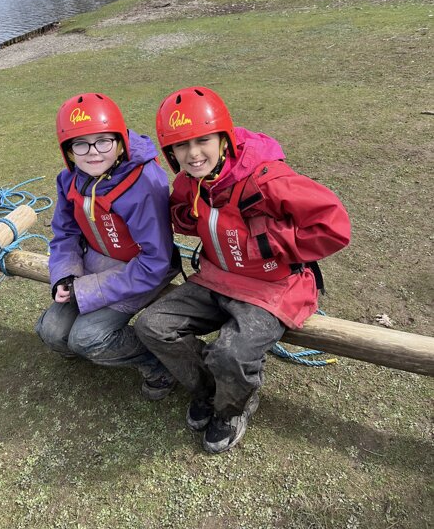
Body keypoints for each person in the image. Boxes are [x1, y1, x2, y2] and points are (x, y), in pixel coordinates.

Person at [135, 86, 351, 452]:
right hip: (217, 276)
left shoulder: (267, 178)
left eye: (203, 140)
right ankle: (209, 389)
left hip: (272, 286)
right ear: (170, 152)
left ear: (224, 138)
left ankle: (232, 408)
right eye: (181, 145)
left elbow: (334, 227)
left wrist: (266, 243)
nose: (193, 153)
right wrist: (187, 215)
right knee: (152, 326)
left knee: (230, 354)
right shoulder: (191, 181)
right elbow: (184, 216)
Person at [36, 92, 179, 399]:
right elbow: (65, 233)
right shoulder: (69, 180)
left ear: (120, 141)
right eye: (81, 144)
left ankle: (158, 364)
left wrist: (88, 289)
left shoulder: (144, 183)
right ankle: (96, 349)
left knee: (87, 338)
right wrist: (65, 274)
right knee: (52, 333)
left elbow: (155, 260)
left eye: (103, 141)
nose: (93, 153)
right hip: (96, 261)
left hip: (142, 267)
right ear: (68, 150)